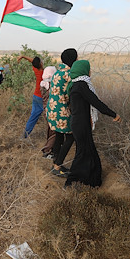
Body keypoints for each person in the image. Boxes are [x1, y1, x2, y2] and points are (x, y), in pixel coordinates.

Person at [64, 60, 121, 189]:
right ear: (83, 70)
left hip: (78, 123)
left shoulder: (74, 85)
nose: (90, 71)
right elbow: (96, 103)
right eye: (89, 69)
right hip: (81, 125)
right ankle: (70, 183)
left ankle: (91, 181)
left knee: (87, 152)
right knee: (82, 154)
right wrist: (114, 114)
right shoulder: (82, 85)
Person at [47, 48, 78, 177]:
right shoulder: (69, 74)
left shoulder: (57, 72)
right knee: (70, 137)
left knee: (59, 136)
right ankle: (57, 164)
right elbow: (71, 94)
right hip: (62, 111)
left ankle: (56, 163)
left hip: (53, 109)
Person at [17, 55, 44, 137]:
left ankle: (25, 135)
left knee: (33, 116)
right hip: (41, 97)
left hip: (35, 95)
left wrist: (23, 56)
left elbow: (33, 61)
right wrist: (23, 56)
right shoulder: (44, 73)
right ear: (40, 64)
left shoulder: (36, 69)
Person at [40, 65, 57, 158]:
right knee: (54, 131)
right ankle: (47, 150)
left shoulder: (43, 84)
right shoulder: (51, 85)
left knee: (50, 130)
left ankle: (50, 149)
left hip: (45, 110)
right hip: (52, 110)